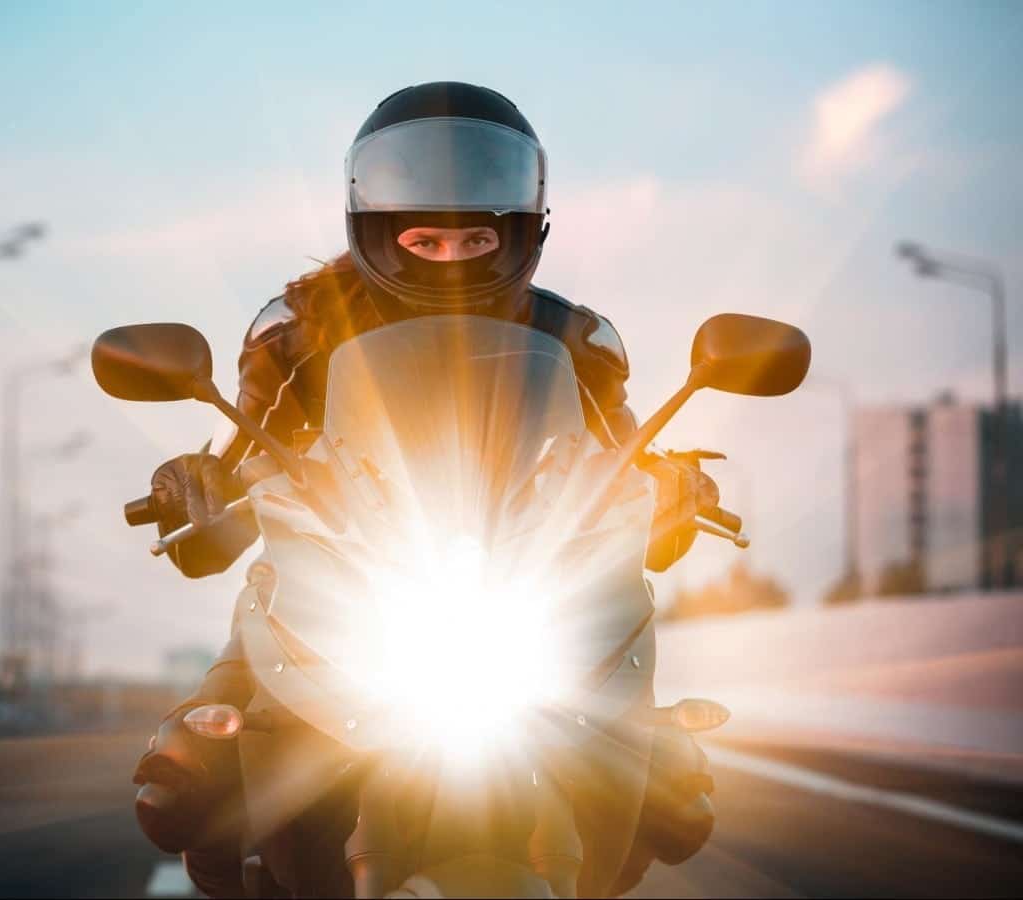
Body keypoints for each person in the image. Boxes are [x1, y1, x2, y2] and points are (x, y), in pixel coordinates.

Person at [132, 81, 717, 897]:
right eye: (426, 240)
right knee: (191, 771)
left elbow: (625, 466)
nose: (450, 259)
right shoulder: (298, 332)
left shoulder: (576, 340)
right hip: (331, 590)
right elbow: (240, 459)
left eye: (475, 239)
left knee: (668, 780)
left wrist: (675, 486)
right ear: (376, 231)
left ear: (522, 233)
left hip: (527, 591)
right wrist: (195, 488)